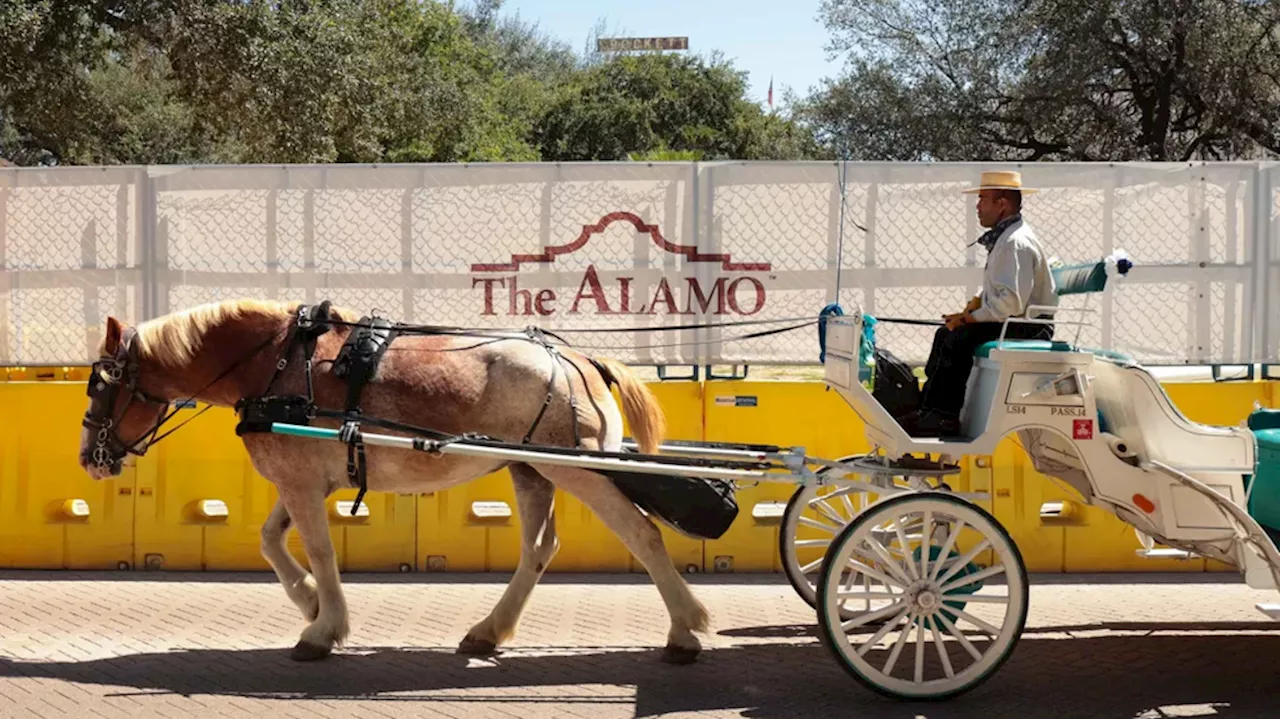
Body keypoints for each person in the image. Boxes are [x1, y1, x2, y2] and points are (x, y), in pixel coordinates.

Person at [900, 170, 1059, 438]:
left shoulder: (1014, 243)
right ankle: (929, 408)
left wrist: (967, 319)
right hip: (1019, 320)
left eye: (983, 198)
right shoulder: (1007, 238)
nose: (977, 206)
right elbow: (999, 292)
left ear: (1002, 204)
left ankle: (943, 418)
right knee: (945, 333)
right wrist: (971, 308)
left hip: (1028, 325)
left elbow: (1010, 303)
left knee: (957, 338)